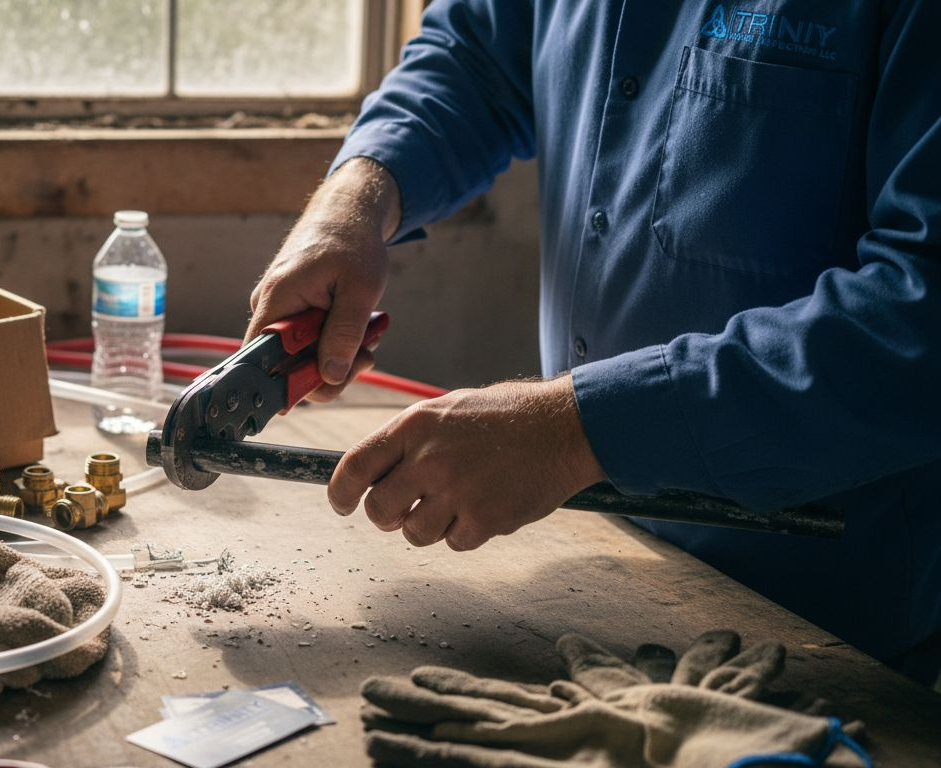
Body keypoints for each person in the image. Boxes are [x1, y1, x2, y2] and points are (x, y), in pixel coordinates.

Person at [244, 1, 941, 683]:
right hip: (598, 569)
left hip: (834, 633)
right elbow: (478, 54)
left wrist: (575, 431)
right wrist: (357, 198)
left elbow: (922, 319)